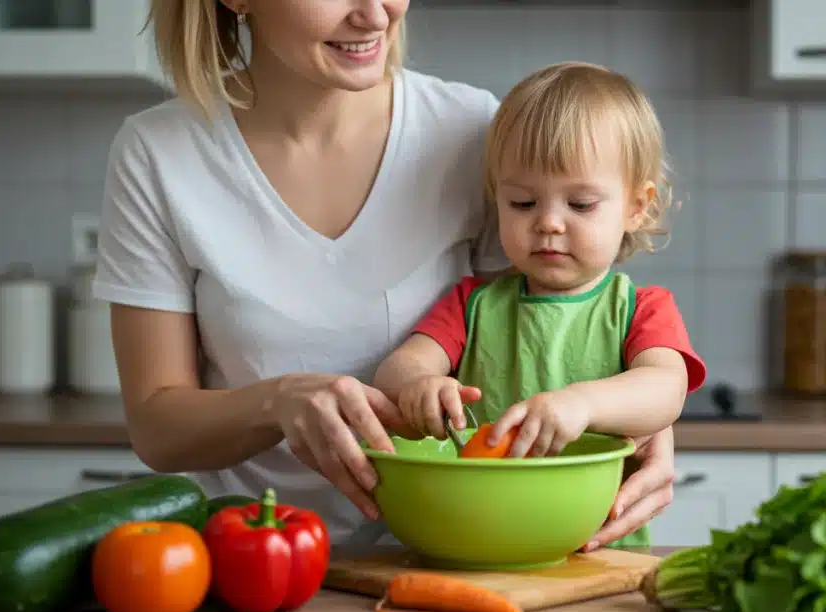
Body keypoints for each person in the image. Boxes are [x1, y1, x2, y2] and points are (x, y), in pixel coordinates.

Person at [92, 0, 681, 549]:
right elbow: (159, 430)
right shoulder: (158, 152)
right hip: (255, 555)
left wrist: (643, 419)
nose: (376, 14)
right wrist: (278, 402)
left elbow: (549, 322)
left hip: (449, 552)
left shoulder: (472, 131)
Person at [373, 61, 707, 550]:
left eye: (581, 204)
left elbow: (665, 389)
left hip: (599, 550)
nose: (549, 223)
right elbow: (398, 368)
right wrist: (419, 386)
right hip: (480, 540)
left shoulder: (640, 308)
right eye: (523, 204)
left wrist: (581, 403)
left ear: (637, 206)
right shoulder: (471, 303)